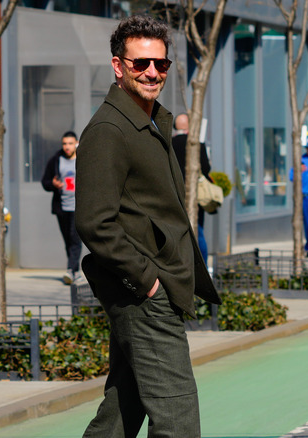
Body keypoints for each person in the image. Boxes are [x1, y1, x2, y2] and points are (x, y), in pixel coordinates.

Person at [75, 15, 221, 438]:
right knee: (177, 420)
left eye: (160, 63)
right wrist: (149, 281)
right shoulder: (108, 130)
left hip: (152, 288)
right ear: (118, 67)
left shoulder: (152, 121)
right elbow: (94, 222)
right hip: (142, 294)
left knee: (122, 410)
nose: (152, 72)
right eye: (141, 64)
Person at [41, 131, 82, 285]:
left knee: (75, 238)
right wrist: (53, 184)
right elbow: (45, 182)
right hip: (62, 207)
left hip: (78, 207)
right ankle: (75, 270)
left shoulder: (83, 159)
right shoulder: (55, 161)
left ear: (76, 143)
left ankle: (71, 270)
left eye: (70, 143)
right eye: (64, 143)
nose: (67, 147)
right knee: (68, 240)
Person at [172, 113, 213, 265]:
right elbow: (206, 168)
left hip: (175, 193)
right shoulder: (197, 144)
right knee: (198, 230)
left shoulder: (169, 143)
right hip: (195, 194)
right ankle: (203, 264)